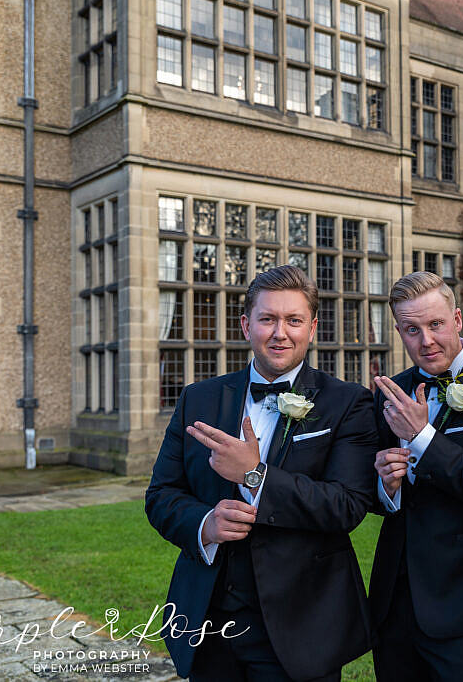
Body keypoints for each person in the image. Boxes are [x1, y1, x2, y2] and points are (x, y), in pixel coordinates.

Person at [145, 265, 377, 682]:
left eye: (293, 320)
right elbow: (162, 494)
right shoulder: (198, 398)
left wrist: (255, 475)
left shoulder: (349, 403)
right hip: (209, 621)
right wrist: (205, 525)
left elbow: (347, 505)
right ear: (245, 325)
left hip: (301, 625)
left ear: (312, 327)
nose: (280, 333)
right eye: (267, 319)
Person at [369, 271, 463, 681]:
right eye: (411, 330)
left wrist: (422, 438)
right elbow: (371, 496)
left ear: (457, 319)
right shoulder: (391, 392)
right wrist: (385, 486)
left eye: (435, 324)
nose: (426, 341)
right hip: (396, 600)